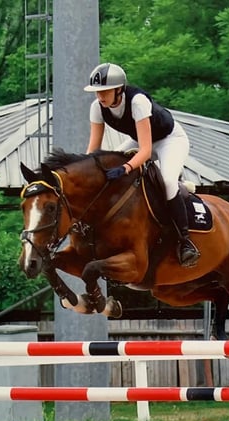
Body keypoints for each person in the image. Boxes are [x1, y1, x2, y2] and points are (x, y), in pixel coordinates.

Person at [84, 62, 200, 268]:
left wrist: (126, 168)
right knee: (110, 160)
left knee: (168, 181)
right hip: (139, 140)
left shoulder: (137, 101)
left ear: (119, 89)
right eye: (97, 92)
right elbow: (93, 150)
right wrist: (85, 171)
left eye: (105, 91)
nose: (100, 96)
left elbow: (145, 152)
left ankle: (185, 242)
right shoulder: (97, 108)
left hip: (169, 140)